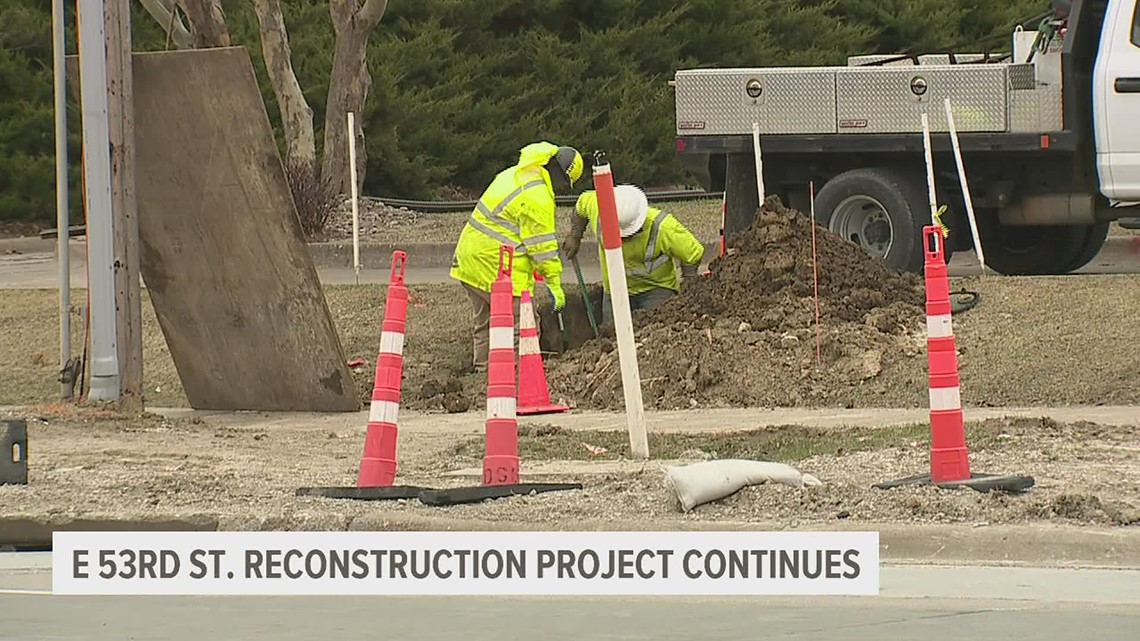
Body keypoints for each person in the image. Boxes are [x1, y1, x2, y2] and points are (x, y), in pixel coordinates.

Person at [450, 141, 584, 371]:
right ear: (561, 175)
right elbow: (541, 248)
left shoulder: (515, 174)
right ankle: (515, 374)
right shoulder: (538, 196)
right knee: (522, 323)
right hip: (496, 266)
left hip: (469, 260)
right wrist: (554, 283)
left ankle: (483, 371)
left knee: (485, 321)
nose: (562, 189)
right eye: (565, 184)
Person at [562, 184, 704, 326]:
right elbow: (581, 205)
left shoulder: (662, 227)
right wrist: (575, 236)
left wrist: (688, 290)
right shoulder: (598, 208)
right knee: (612, 333)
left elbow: (693, 253)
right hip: (615, 289)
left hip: (655, 288)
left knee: (656, 330)